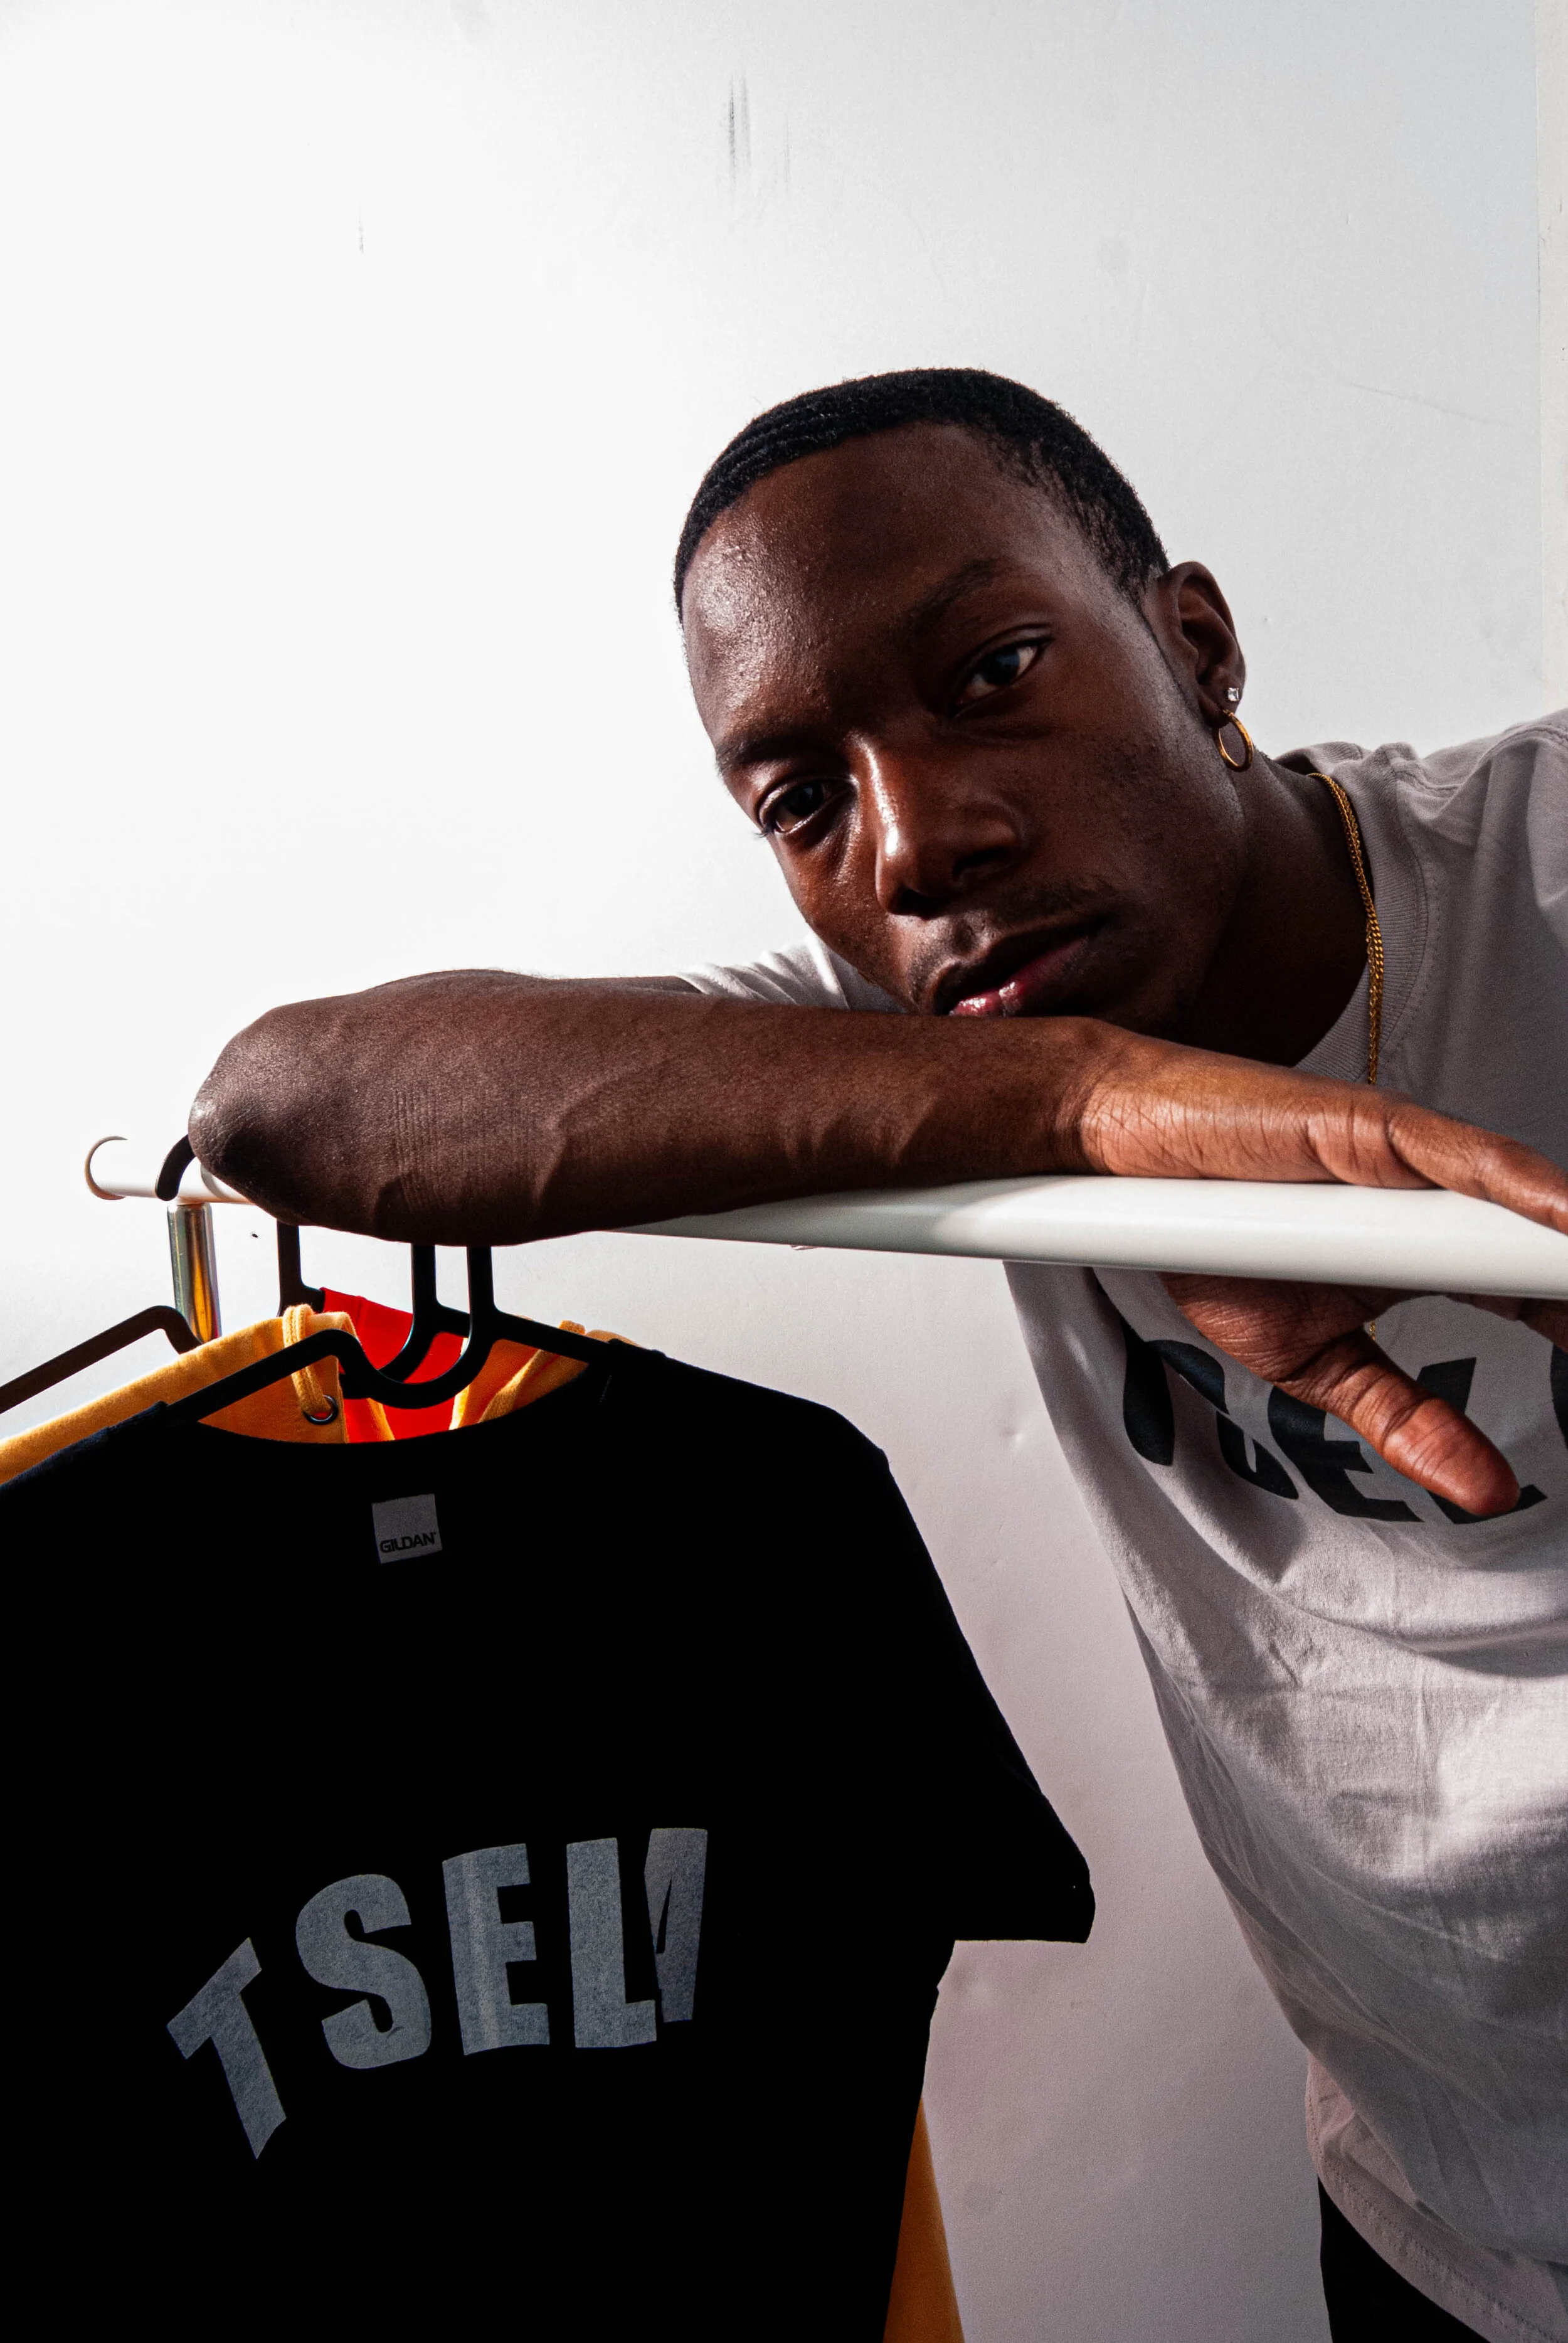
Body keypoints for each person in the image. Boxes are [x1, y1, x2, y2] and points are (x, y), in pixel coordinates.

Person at [192, 369, 1567, 2343]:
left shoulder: (1528, 862)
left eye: (993, 670)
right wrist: (1085, 1114)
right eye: (801, 800)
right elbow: (288, 1102)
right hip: (1441, 2235)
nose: (915, 844)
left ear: (1192, 642)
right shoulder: (942, 1046)